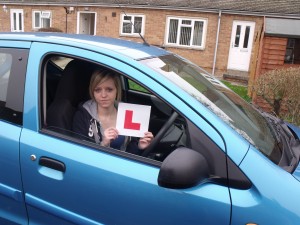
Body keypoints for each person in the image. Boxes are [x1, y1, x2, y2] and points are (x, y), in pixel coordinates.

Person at [72, 68, 153, 155]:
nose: (103, 95)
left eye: (109, 89)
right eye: (98, 90)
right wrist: (103, 144)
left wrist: (139, 147)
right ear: (92, 92)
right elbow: (80, 155)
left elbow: (128, 151)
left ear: (117, 90)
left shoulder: (126, 112)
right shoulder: (82, 116)